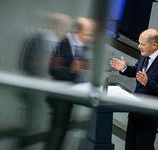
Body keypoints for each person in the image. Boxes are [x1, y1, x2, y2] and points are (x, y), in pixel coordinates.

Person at [110, 28, 158, 150]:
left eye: (142, 44)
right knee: (130, 146)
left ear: (154, 45)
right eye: (139, 43)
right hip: (136, 112)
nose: (139, 46)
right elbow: (137, 72)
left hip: (150, 116)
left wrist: (148, 83)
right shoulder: (144, 55)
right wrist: (124, 68)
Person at [45, 17, 94, 150]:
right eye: (86, 34)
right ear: (77, 31)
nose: (88, 38)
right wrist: (71, 70)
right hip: (59, 94)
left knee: (62, 130)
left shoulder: (81, 47)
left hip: (70, 94)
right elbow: (53, 70)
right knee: (57, 130)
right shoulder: (63, 44)